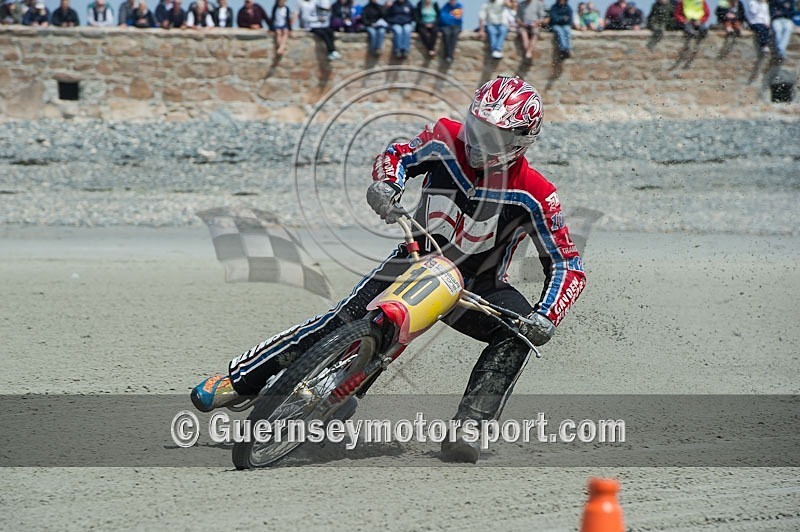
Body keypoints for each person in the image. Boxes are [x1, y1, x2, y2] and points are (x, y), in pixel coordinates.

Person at [191, 76, 586, 464]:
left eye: (493, 135)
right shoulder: (445, 138)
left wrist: (546, 315)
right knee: (341, 320)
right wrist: (386, 184)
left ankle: (471, 426)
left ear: (519, 141)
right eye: (477, 126)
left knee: (518, 336)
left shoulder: (537, 193)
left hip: (478, 286)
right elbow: (398, 153)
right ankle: (240, 380)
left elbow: (568, 264)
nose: (478, 140)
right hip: (415, 254)